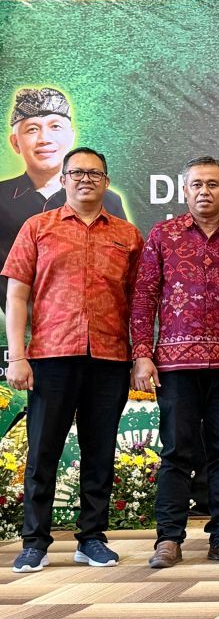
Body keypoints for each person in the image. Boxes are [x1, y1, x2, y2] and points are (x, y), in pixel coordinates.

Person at [2, 147, 143, 573]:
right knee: (43, 452)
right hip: (51, 357)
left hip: (110, 358)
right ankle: (35, 542)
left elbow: (139, 303)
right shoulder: (37, 227)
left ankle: (92, 539)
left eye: (94, 173)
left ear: (106, 182)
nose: (86, 179)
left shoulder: (128, 236)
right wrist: (18, 356)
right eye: (77, 172)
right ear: (63, 180)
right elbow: (17, 295)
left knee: (100, 452)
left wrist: (140, 355)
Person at [130, 156, 219, 568]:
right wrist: (142, 353)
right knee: (177, 450)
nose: (204, 191)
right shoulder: (163, 235)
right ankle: (168, 538)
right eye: (197, 184)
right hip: (175, 366)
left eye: (213, 184)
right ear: (184, 191)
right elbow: (144, 297)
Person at [0, 88, 127, 312]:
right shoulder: (2, 197)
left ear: (71, 136)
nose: (44, 139)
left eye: (55, 126)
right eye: (32, 129)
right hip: (20, 320)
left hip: (93, 322)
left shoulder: (108, 201)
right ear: (15, 142)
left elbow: (122, 268)